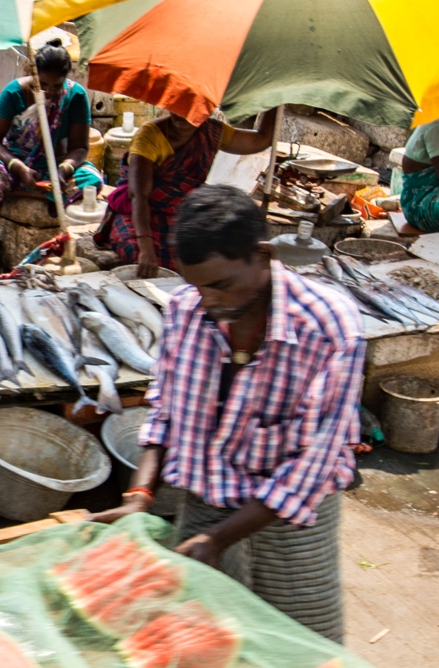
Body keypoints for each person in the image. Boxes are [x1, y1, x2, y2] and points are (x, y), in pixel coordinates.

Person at [91, 185, 364, 642]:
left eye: (220, 284)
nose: (210, 302)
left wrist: (220, 540)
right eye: (196, 286)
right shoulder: (187, 309)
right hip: (205, 504)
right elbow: (165, 413)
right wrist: (139, 494)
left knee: (301, 643)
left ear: (261, 256)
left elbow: (310, 466)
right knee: (200, 643)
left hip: (290, 524)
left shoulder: (329, 326)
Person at [101, 109, 278, 277]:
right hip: (139, 212)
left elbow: (260, 140)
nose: (182, 116)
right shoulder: (149, 135)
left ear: (207, 110)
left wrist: (276, 99)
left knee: (208, 254)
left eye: (192, 110)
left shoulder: (212, 131)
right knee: (135, 251)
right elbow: (139, 196)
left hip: (182, 213)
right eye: (177, 107)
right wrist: (146, 248)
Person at [0, 41, 103, 244]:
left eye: (56, 86)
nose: (49, 92)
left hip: (53, 168)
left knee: (92, 178)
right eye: (42, 85)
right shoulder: (14, 93)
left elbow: (80, 147)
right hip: (14, 165)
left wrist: (63, 170)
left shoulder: (75, 96)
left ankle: (39, 190)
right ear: (32, 74)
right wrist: (19, 167)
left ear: (66, 79)